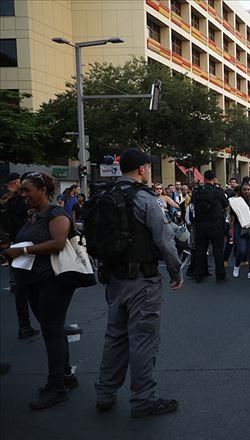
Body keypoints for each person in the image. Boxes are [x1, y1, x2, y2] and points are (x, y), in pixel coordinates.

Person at [92, 149, 183, 418]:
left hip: (114, 278)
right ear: (142, 169)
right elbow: (164, 239)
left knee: (115, 337)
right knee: (142, 339)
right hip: (142, 280)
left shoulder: (105, 195)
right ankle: (143, 399)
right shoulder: (145, 199)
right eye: (148, 166)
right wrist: (176, 271)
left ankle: (105, 393)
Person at [2, 172, 78, 409]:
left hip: (53, 281)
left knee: (52, 331)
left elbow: (57, 243)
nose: (23, 195)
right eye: (21, 191)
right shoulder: (33, 215)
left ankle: (57, 388)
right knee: (52, 330)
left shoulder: (57, 213)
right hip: (33, 282)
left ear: (43, 190)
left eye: (27, 190)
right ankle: (65, 376)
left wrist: (23, 252)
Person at [0, 173, 40, 340]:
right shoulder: (23, 203)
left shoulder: (7, 200)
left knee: (22, 288)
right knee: (39, 285)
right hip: (25, 245)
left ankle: (24, 325)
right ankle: (47, 322)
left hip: (11, 245)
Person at [191, 170, 229, 283]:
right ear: (214, 179)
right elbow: (226, 205)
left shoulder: (197, 191)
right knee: (218, 250)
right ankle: (220, 275)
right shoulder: (218, 191)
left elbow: (192, 206)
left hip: (200, 224)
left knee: (200, 250)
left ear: (204, 179)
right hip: (215, 224)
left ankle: (199, 274)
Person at [229, 183, 250, 279]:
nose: (246, 191)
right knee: (242, 250)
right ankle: (237, 264)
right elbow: (232, 216)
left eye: (248, 189)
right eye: (244, 189)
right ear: (241, 191)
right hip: (240, 226)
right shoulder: (236, 202)